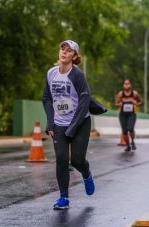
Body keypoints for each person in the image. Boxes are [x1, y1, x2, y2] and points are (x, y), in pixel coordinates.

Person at [42, 40, 95, 210]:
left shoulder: (77, 75)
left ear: (74, 56)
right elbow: (47, 98)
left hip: (80, 122)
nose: (64, 52)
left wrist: (73, 126)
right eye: (62, 49)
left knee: (77, 160)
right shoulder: (51, 73)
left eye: (69, 50)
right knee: (62, 160)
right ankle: (63, 197)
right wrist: (50, 122)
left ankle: (86, 174)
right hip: (59, 123)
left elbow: (85, 100)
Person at [115, 80, 142, 152]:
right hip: (122, 114)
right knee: (124, 131)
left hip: (132, 114)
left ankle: (132, 141)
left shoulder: (135, 94)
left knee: (130, 128)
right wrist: (119, 104)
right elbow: (116, 104)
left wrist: (136, 103)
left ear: (130, 85)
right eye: (125, 84)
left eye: (128, 84)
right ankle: (128, 146)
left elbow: (141, 102)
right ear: (123, 85)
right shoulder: (120, 94)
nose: (126, 85)